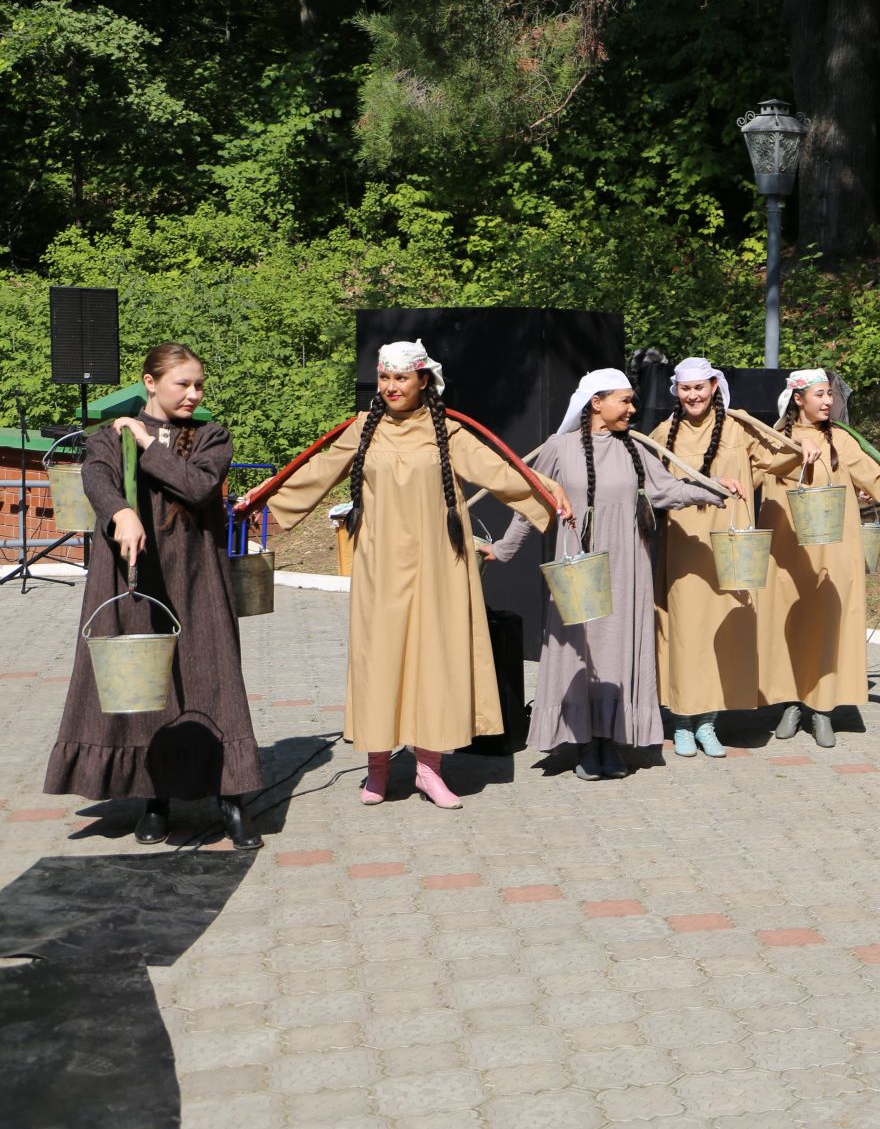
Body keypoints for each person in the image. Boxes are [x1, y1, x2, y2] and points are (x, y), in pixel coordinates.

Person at [256, 341, 568, 809]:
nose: (390, 387)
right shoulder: (363, 429)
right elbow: (313, 472)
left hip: (440, 564)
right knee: (378, 660)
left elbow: (498, 471)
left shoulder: (449, 432)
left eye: (400, 378)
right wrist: (260, 505)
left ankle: (428, 769)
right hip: (380, 565)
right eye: (384, 378)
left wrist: (547, 492)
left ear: (424, 380)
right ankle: (377, 770)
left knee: (434, 661)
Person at [44, 343, 264, 850]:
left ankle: (231, 799)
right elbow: (97, 479)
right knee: (148, 688)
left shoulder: (211, 436)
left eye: (199, 384)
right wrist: (121, 512)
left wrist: (148, 443)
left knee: (213, 679)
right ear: (150, 381)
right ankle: (154, 798)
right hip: (133, 580)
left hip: (196, 577)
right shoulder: (108, 437)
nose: (193, 393)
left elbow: (198, 488)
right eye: (182, 383)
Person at [486, 369, 729, 779]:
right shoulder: (559, 448)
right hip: (579, 568)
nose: (633, 409)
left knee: (618, 650)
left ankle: (611, 741)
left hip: (627, 567)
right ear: (596, 402)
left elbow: (667, 490)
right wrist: (503, 548)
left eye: (632, 401)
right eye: (625, 400)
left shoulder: (635, 447)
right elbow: (533, 501)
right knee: (581, 650)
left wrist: (714, 489)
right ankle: (583, 741)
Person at [757, 368, 880, 747]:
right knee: (789, 624)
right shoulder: (774, 440)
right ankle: (790, 701)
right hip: (788, 551)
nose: (827, 401)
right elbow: (751, 469)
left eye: (829, 395)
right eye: (819, 394)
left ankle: (823, 707)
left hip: (835, 549)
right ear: (797, 399)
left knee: (827, 623)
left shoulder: (843, 440)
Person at [649, 358, 815, 757]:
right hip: (685, 547)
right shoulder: (659, 435)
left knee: (723, 634)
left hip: (731, 547)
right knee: (687, 635)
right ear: (677, 392)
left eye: (700, 388)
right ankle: (683, 721)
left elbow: (775, 460)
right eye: (686, 390)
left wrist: (801, 450)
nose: (693, 396)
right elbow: (650, 486)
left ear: (713, 387)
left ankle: (710, 722)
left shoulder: (739, 428)